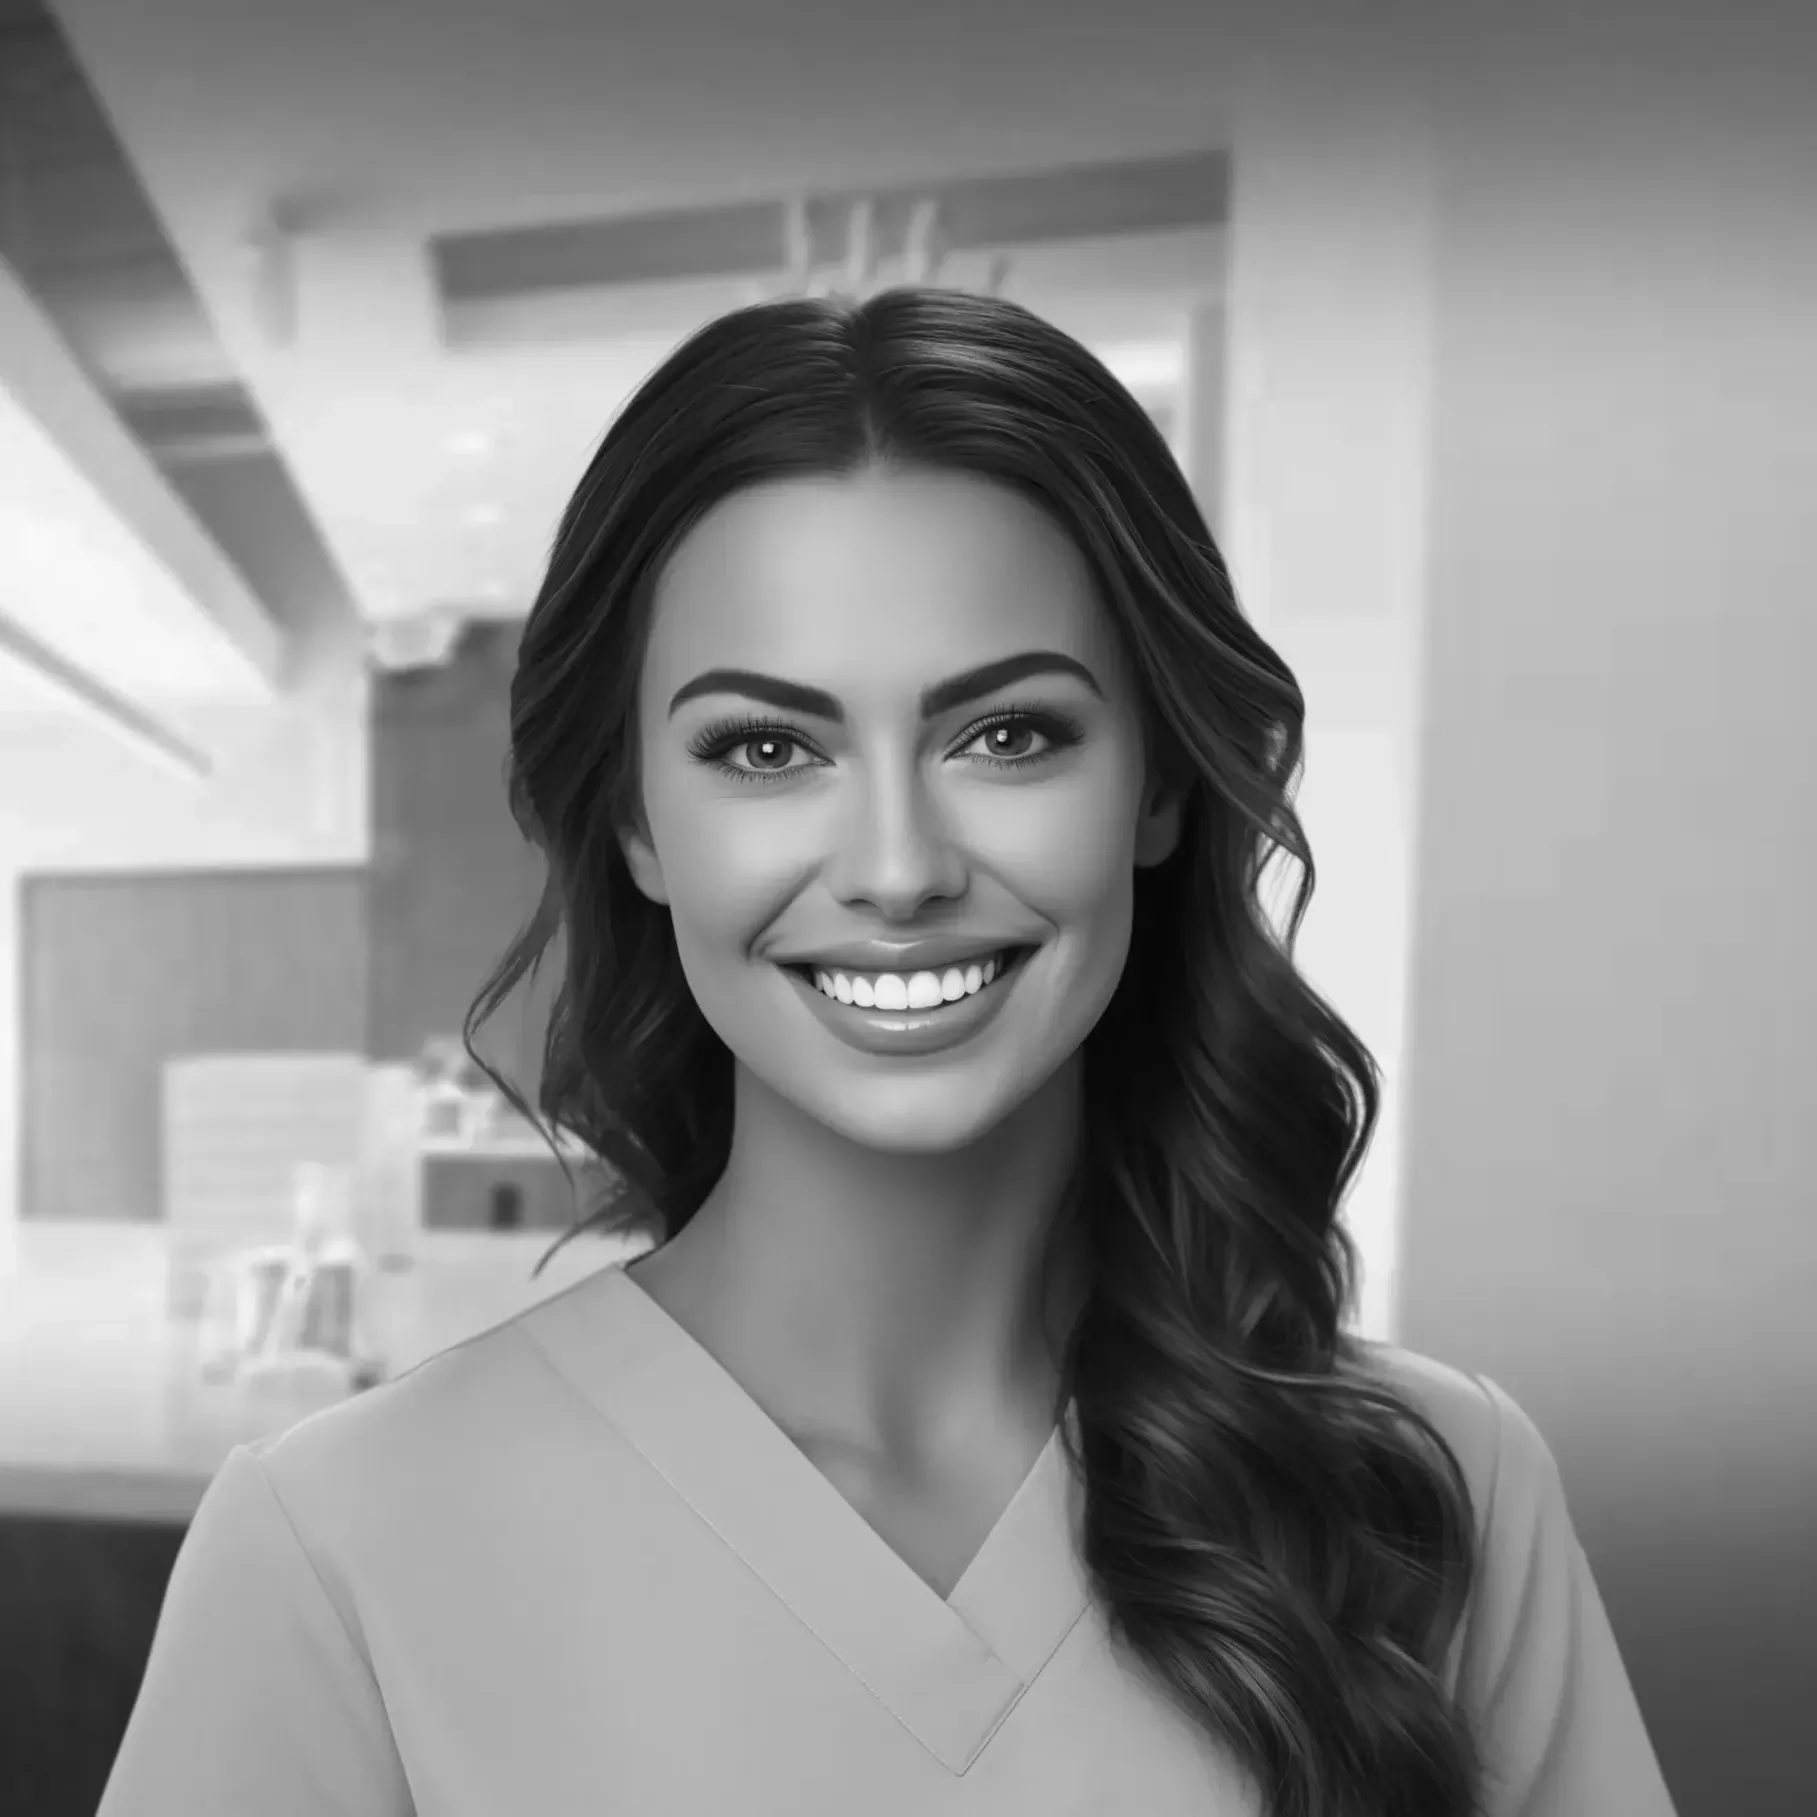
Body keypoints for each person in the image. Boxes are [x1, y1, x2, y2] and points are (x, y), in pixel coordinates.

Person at [97, 288, 1679, 1816]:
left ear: (1159, 786)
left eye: (1009, 734)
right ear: (640, 824)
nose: (900, 866)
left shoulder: (1443, 1490)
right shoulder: (336, 1549)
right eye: (766, 749)